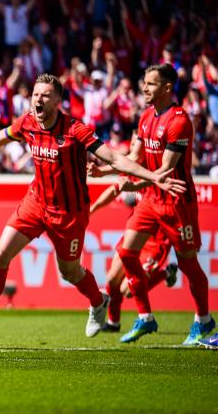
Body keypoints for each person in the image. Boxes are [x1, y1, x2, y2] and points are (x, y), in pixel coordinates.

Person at [0, 73, 185, 344]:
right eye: (36, 94)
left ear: (58, 100)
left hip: (68, 214)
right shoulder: (28, 122)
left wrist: (153, 177)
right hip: (35, 203)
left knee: (69, 272)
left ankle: (97, 302)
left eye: (45, 95)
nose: (38, 99)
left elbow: (115, 158)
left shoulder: (75, 130)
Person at [88, 63, 215, 345]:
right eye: (144, 83)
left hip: (176, 202)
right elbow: (137, 160)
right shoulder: (146, 117)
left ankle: (204, 321)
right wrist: (105, 171)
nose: (144, 88)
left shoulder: (179, 121)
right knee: (126, 251)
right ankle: (145, 317)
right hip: (150, 201)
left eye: (151, 84)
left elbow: (164, 173)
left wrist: (129, 184)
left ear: (167, 87)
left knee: (189, 265)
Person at [89, 179, 178, 332]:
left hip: (154, 243)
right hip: (134, 235)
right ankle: (113, 323)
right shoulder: (135, 169)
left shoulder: (163, 176)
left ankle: (166, 273)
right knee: (111, 279)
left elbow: (175, 210)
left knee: (127, 290)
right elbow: (116, 187)